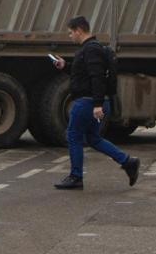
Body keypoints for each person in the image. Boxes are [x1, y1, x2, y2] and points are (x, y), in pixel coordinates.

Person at [49, 16, 140, 190]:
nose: (70, 37)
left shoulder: (90, 49)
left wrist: (97, 104)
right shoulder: (90, 49)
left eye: (70, 33)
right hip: (92, 101)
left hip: (87, 102)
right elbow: (83, 74)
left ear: (79, 30)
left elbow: (97, 77)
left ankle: (76, 177)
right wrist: (65, 65)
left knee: (73, 135)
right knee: (93, 138)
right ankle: (128, 162)